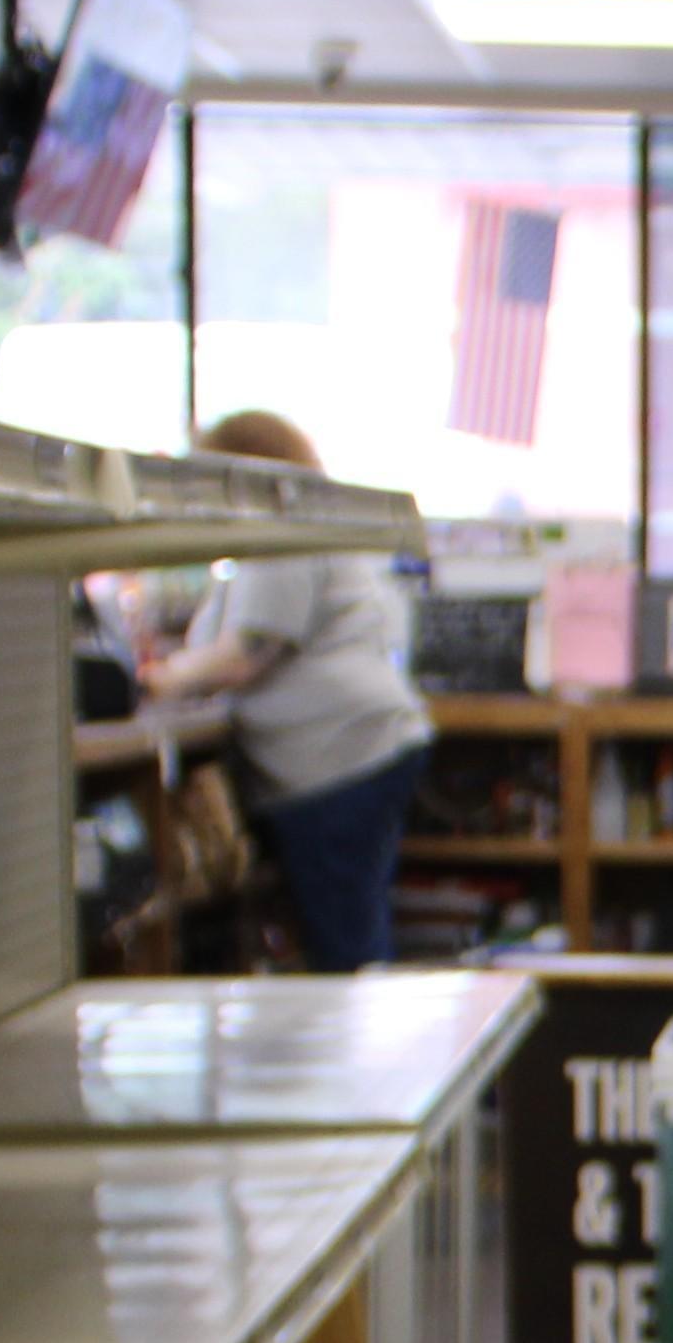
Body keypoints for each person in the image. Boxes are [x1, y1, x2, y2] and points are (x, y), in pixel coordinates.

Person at [139, 407, 434, 968]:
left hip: (338, 758)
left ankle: (354, 1055)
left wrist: (163, 678)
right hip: (358, 747)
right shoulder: (300, 528)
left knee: (345, 944)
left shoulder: (280, 531)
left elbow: (247, 655)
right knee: (347, 927)